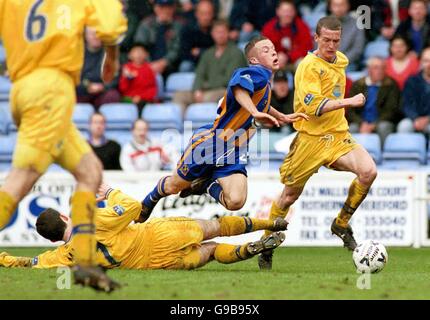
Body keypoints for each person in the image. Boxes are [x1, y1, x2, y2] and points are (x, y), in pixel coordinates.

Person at [0, 0, 127, 292]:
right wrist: (113, 57)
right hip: (52, 90)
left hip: (21, 90)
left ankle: (83, 263)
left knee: (90, 172)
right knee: (20, 181)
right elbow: (110, 28)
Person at [142, 36, 308, 218]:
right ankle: (149, 200)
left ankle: (206, 184)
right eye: (265, 50)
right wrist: (254, 112)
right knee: (173, 186)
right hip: (213, 142)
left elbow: (261, 105)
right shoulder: (254, 73)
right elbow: (238, 88)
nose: (273, 51)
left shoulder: (265, 84)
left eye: (273, 48)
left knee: (236, 201)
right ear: (254, 60)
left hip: (234, 150)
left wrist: (281, 116)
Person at [258, 17, 377, 270]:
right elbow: (314, 107)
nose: (332, 45)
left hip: (336, 136)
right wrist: (349, 102)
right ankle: (266, 244)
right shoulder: (308, 67)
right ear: (316, 38)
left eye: (336, 40)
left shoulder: (341, 60)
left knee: (369, 172)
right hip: (310, 140)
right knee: (289, 196)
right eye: (326, 40)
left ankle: (341, 224)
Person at [0, 184, 287, 270]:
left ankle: (248, 250)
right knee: (216, 226)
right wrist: (110, 192)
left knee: (211, 252)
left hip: (157, 264)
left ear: (52, 241)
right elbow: (135, 209)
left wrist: (3, 259)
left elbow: (30, 263)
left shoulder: (63, 256)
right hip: (159, 235)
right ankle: (269, 223)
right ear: (65, 217)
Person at [173, 20, 248, 110]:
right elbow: (199, 74)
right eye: (217, 32)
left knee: (209, 98)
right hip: (205, 91)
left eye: (223, 32)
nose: (220, 35)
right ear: (212, 34)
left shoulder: (236, 53)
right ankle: (186, 124)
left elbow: (229, 80)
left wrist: (204, 87)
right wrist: (197, 90)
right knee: (179, 96)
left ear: (228, 33)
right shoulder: (208, 53)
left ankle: (209, 123)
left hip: (226, 92)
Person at [348, 57, 402, 142]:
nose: (380, 71)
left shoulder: (391, 85)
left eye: (383, 68)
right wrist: (361, 123)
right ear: (369, 69)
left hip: (381, 121)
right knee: (352, 128)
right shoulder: (358, 84)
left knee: (383, 127)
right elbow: (351, 110)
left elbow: (392, 110)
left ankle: (383, 154)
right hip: (361, 122)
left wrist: (374, 125)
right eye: (376, 67)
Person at [134, 0, 183, 76]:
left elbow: (177, 49)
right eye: (161, 7)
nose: (165, 10)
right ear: (155, 8)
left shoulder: (179, 26)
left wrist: (164, 62)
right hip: (147, 66)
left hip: (171, 67)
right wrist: (150, 65)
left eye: (168, 7)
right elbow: (140, 47)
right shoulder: (146, 25)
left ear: (173, 8)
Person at [76, 28, 121, 110]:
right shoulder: (77, 53)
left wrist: (103, 87)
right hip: (82, 92)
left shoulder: (111, 53)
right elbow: (74, 76)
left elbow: (115, 78)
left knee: (113, 95)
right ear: (86, 36)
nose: (96, 37)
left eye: (98, 34)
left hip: (103, 92)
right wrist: (87, 86)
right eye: (92, 34)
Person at [261, 0, 313, 71]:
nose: (287, 14)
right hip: (275, 60)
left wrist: (288, 57)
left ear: (294, 12)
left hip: (295, 61)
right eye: (284, 11)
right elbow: (264, 48)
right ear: (278, 12)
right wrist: (276, 56)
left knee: (303, 64)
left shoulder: (302, 26)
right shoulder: (269, 27)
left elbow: (307, 47)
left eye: (290, 11)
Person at [397, 47, 430, 134]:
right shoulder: (412, 81)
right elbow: (406, 104)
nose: (429, 64)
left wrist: (427, 119)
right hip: (414, 120)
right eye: (426, 61)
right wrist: (416, 118)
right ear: (421, 62)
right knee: (404, 126)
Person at [119, 43, 158, 115]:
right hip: (129, 99)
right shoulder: (126, 68)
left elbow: (153, 89)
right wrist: (127, 78)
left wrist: (141, 97)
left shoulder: (149, 69)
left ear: (146, 55)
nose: (138, 55)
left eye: (141, 52)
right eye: (136, 52)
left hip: (144, 100)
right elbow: (122, 89)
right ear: (129, 55)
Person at [328, 0, 365, 71]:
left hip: (348, 64)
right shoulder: (323, 23)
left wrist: (340, 61)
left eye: (342, 5)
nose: (339, 8)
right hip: (326, 62)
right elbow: (318, 46)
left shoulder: (357, 24)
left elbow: (357, 49)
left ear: (348, 6)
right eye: (335, 5)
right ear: (330, 7)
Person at [179, 0, 215, 72]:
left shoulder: (216, 28)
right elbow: (185, 54)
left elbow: (219, 51)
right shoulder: (188, 29)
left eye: (209, 13)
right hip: (194, 64)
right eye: (203, 14)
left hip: (214, 63)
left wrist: (200, 51)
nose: (206, 17)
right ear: (196, 14)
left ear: (213, 14)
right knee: (185, 65)